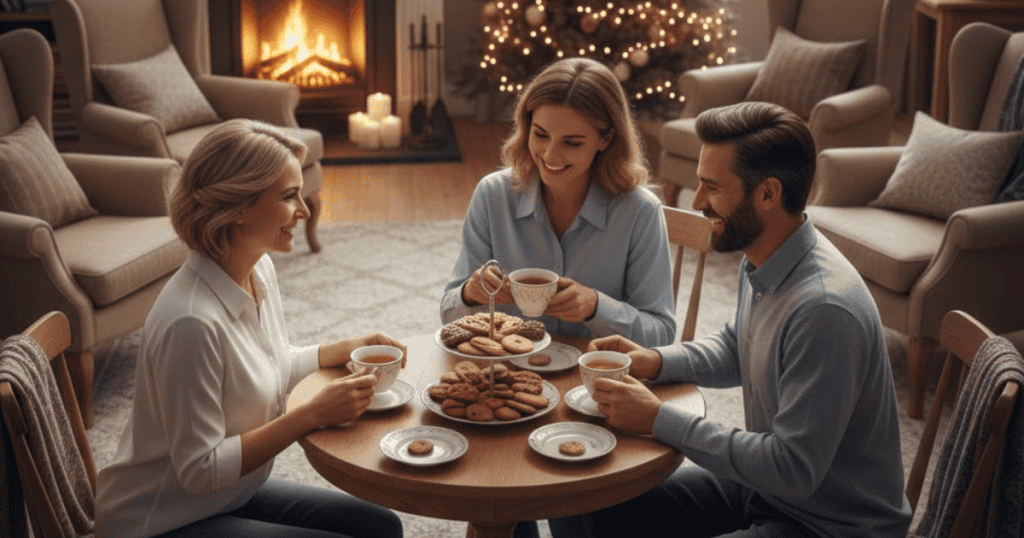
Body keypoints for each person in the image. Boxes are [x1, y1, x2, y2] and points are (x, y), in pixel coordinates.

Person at [549, 102, 913, 538]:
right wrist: (652, 360)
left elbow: (792, 468)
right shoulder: (766, 258)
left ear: (767, 194)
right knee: (579, 497)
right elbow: (735, 347)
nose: (698, 202)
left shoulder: (824, 310)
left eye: (711, 187)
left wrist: (658, 418)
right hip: (768, 494)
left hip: (829, 525)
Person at [94, 119, 405, 538]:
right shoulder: (191, 322)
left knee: (379, 526)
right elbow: (199, 470)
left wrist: (348, 348)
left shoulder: (258, 268)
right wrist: (309, 415)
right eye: (289, 196)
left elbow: (267, 366)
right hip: (161, 520)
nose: (306, 211)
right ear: (237, 206)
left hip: (229, 496)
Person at [440, 57, 676, 348]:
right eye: (540, 135)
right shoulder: (493, 196)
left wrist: (595, 307)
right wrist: (470, 293)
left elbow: (662, 335)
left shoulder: (640, 212)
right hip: (509, 375)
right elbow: (449, 316)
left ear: (606, 139)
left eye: (572, 143)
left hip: (597, 379)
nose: (551, 155)